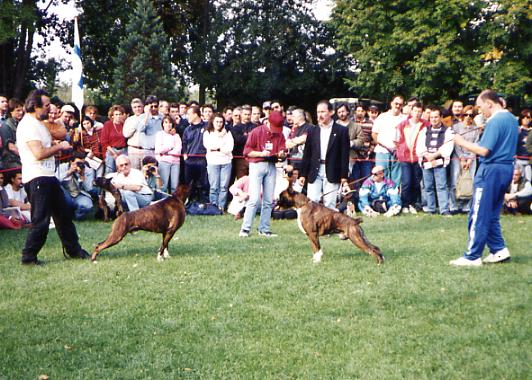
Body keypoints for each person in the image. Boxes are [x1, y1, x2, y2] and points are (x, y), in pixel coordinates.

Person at [16, 89, 89, 265]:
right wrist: (60, 147)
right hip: (37, 178)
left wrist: (55, 141)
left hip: (48, 176)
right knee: (40, 220)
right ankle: (29, 257)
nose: (51, 109)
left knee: (63, 216)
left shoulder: (39, 123)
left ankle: (74, 250)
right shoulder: (28, 125)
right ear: (35, 106)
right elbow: (39, 153)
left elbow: (58, 134)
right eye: (47, 105)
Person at [450, 90, 519, 266]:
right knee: (492, 213)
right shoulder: (512, 118)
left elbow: (484, 150)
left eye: (481, 107)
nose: (481, 112)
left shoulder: (495, 121)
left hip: (491, 170)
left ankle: (472, 256)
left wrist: (460, 141)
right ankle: (499, 250)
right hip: (506, 169)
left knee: (479, 213)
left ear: (489, 103)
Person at [239, 111, 286, 237]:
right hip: (256, 165)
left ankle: (264, 228)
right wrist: (261, 153)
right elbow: (247, 151)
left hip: (271, 165)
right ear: (268, 122)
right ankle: (245, 228)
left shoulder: (280, 134)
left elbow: (283, 151)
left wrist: (282, 155)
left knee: (268, 199)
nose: (276, 131)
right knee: (254, 198)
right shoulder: (256, 132)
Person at [299, 100, 350, 210]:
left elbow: (344, 156)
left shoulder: (342, 131)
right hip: (315, 171)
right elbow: (307, 153)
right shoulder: (312, 130)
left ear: (331, 112)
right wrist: (302, 174)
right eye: (318, 112)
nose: (320, 115)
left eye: (323, 112)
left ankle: (329, 227)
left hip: (332, 171)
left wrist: (344, 177)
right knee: (311, 202)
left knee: (330, 204)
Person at [416, 108, 454, 215]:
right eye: (431, 117)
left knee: (441, 186)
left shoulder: (448, 130)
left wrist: (435, 155)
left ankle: (444, 209)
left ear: (441, 117)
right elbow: (420, 146)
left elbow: (448, 146)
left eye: (436, 117)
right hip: (426, 161)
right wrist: (427, 156)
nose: (434, 119)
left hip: (440, 162)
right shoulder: (424, 131)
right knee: (428, 186)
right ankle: (431, 209)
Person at [395, 102, 428, 214]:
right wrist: (400, 152)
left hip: (418, 157)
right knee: (406, 182)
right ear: (411, 111)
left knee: (416, 182)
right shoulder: (402, 124)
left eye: (419, 111)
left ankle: (413, 204)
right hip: (405, 158)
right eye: (415, 111)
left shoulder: (425, 125)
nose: (417, 114)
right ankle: (404, 204)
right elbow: (396, 140)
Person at [450, 105, 480, 213]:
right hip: (458, 156)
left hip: (471, 157)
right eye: (466, 114)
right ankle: (453, 205)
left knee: (470, 181)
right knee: (455, 181)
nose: (468, 117)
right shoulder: (456, 127)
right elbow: (456, 144)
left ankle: (466, 206)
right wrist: (462, 158)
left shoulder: (476, 129)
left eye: (471, 115)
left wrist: (470, 159)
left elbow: (476, 143)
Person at [372, 96, 406, 185]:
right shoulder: (382, 116)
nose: (398, 106)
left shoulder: (405, 119)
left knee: (396, 178)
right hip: (382, 152)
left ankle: (394, 197)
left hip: (397, 153)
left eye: (400, 104)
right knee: (381, 176)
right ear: (391, 103)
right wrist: (383, 145)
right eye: (396, 103)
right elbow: (374, 134)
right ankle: (382, 197)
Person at [203, 113, 234, 210]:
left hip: (226, 162)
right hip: (213, 162)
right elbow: (209, 146)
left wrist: (218, 148)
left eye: (221, 122)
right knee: (214, 187)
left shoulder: (228, 133)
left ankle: (221, 207)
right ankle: (213, 206)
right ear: (212, 122)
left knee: (224, 187)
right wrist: (221, 147)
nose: (219, 124)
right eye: (217, 121)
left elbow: (229, 148)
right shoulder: (207, 133)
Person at [56, 151, 95, 220]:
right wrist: (68, 172)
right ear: (71, 162)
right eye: (78, 163)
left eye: (83, 163)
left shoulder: (88, 170)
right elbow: (55, 181)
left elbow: (89, 189)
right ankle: (64, 215)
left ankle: (76, 216)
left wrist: (82, 177)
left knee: (88, 205)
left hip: (79, 195)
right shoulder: (63, 167)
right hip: (65, 195)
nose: (80, 165)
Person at [155, 115, 182, 194]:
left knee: (175, 185)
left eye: (170, 122)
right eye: (166, 122)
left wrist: (167, 152)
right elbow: (159, 149)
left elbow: (178, 151)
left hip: (175, 163)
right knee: (163, 185)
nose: (168, 124)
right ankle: (161, 203)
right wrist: (170, 147)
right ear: (163, 124)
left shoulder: (176, 136)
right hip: (164, 162)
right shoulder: (159, 134)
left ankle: (173, 203)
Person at [101, 104, 127, 173]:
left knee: (123, 171)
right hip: (111, 150)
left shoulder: (125, 124)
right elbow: (104, 142)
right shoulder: (108, 124)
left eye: (120, 114)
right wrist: (114, 153)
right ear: (112, 116)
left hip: (123, 151)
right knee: (110, 172)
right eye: (116, 114)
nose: (118, 116)